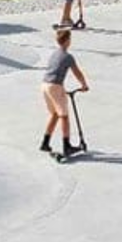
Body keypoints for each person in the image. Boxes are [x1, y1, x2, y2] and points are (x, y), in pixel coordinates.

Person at [39, 28, 89, 158]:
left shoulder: (54, 53)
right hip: (55, 87)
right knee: (64, 116)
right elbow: (77, 72)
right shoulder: (68, 56)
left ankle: (45, 142)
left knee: (55, 114)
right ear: (68, 41)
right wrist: (84, 85)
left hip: (44, 85)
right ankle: (67, 146)